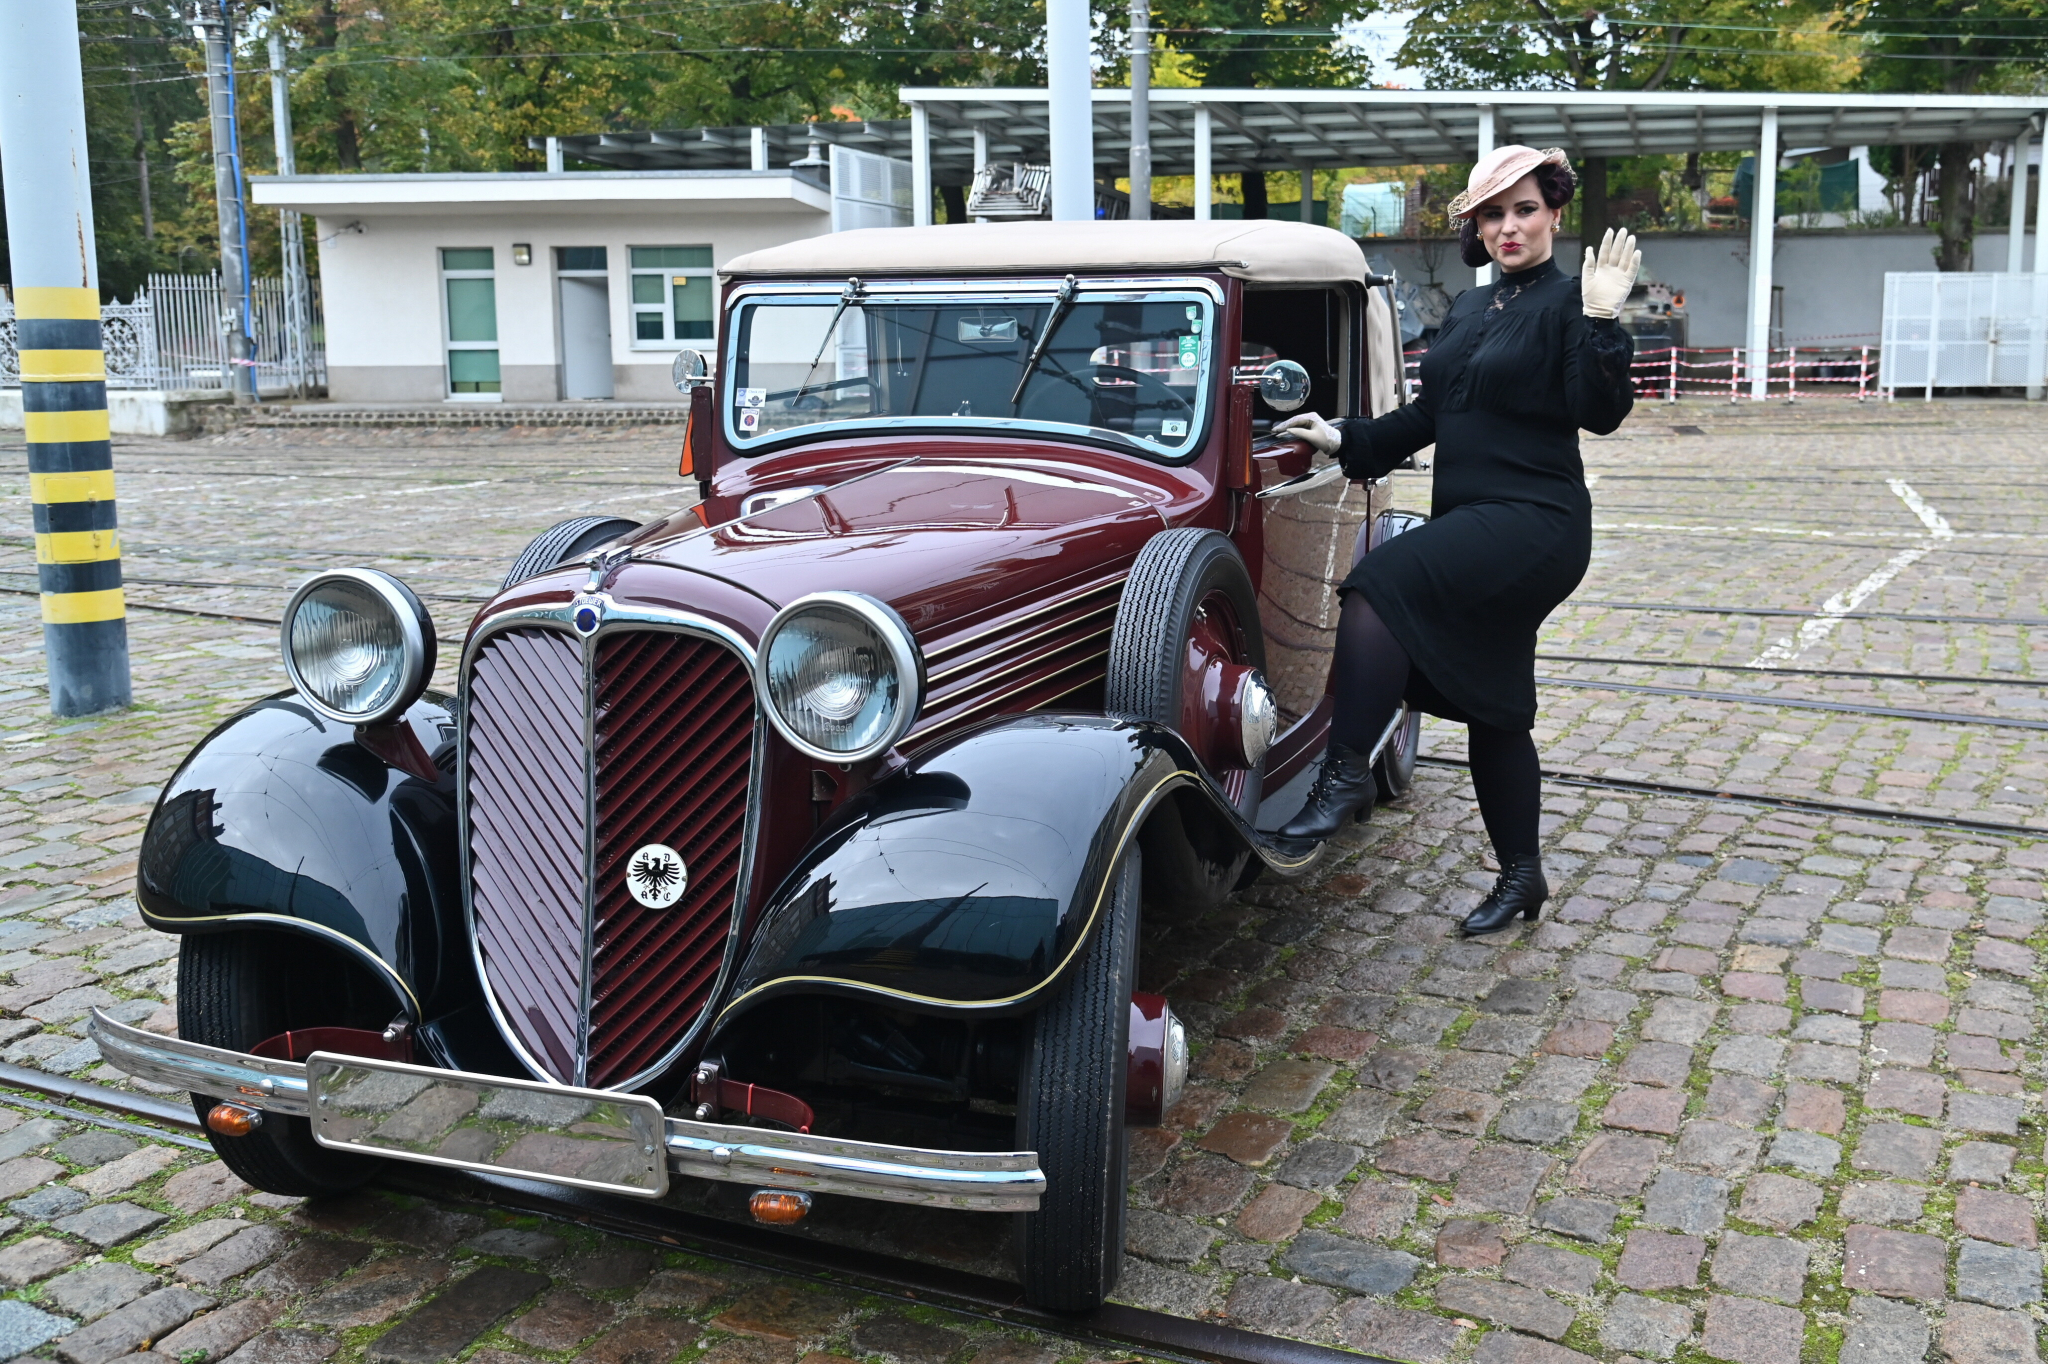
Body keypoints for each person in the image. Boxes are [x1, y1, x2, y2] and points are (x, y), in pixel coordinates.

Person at [1272, 146, 1641, 936]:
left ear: (1554, 215)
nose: (1510, 227)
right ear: (1476, 225)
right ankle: (1523, 876)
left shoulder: (1576, 303)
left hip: (1533, 522)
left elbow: (1600, 411)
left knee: (1382, 580)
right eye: (1493, 214)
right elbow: (1430, 420)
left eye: (1526, 210)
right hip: (1473, 518)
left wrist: (1605, 321)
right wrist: (1343, 436)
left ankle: (1343, 781)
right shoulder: (1472, 311)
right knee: (1496, 710)